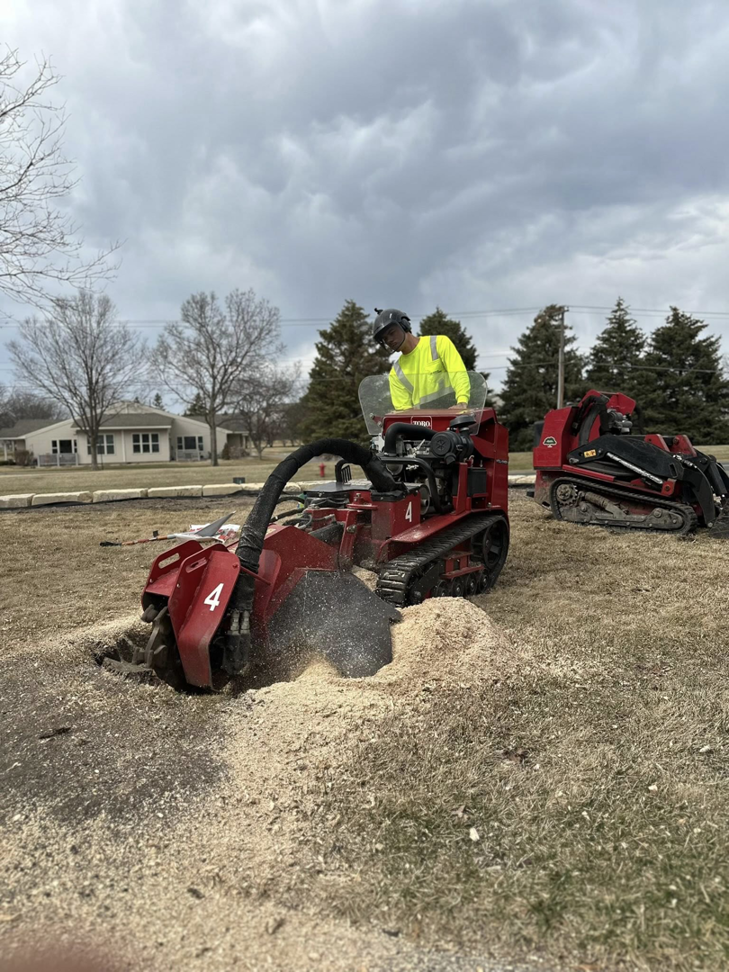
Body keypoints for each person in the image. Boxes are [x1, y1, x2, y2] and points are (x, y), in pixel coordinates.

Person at [372, 307, 470, 410]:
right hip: (422, 423)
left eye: (392, 333)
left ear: (404, 325)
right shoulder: (396, 373)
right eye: (385, 339)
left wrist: (462, 402)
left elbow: (458, 374)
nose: (390, 340)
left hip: (454, 416)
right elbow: (404, 411)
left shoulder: (439, 344)